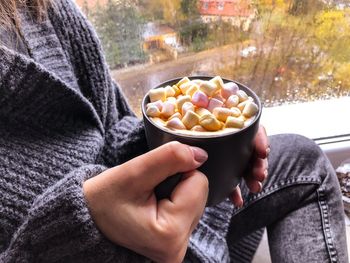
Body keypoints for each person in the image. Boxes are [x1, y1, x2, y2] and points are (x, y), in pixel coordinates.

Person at [0, 0, 348, 262]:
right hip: (79, 251)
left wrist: (178, 136)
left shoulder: (39, 9)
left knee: (304, 161)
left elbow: (113, 128)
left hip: (168, 211)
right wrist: (76, 231)